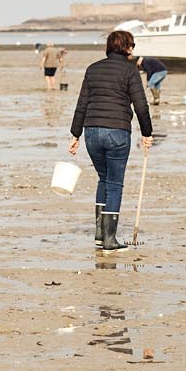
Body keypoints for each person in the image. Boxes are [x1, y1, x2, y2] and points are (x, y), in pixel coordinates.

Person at [67, 28, 152, 251]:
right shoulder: (130, 70)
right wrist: (147, 133)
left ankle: (100, 234)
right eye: (131, 45)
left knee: (103, 179)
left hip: (92, 132)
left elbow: (82, 103)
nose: (133, 49)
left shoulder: (92, 69)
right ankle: (109, 240)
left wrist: (75, 134)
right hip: (117, 131)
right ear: (125, 47)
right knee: (114, 183)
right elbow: (141, 105)